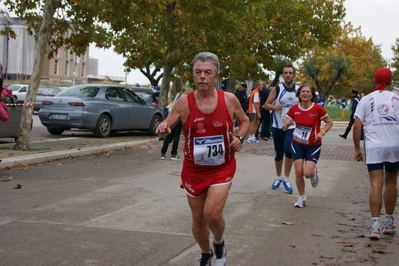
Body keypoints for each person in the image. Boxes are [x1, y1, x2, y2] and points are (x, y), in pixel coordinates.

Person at [156, 52, 250, 266]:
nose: (202, 77)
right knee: (198, 219)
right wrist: (161, 128)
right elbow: (165, 129)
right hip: (194, 169)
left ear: (216, 77)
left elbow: (245, 121)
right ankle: (206, 254)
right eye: (198, 72)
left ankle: (219, 243)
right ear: (193, 76)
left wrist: (240, 138)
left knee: (212, 214)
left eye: (207, 72)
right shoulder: (184, 103)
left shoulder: (229, 100)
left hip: (222, 167)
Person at [353, 68, 399, 240]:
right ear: (391, 81)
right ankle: (389, 221)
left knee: (376, 183)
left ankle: (374, 225)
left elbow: (357, 125)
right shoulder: (396, 98)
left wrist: (357, 148)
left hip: (374, 146)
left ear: (374, 81)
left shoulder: (366, 99)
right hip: (394, 145)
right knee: (391, 182)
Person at [282, 83, 333, 207]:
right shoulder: (294, 108)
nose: (305, 93)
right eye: (302, 91)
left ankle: (313, 171)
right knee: (299, 172)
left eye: (307, 92)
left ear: (312, 95)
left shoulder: (317, 109)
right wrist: (286, 124)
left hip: (313, 145)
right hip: (297, 143)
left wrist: (322, 132)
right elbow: (286, 122)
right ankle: (302, 198)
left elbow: (329, 122)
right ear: (299, 94)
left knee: (307, 174)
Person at [263, 65, 299, 194]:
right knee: (279, 153)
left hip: (293, 126)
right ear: (283, 75)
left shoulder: (299, 90)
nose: (288, 75)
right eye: (286, 73)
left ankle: (286, 178)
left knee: (289, 150)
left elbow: (305, 104)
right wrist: (275, 107)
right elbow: (266, 105)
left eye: (290, 73)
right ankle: (278, 177)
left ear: (294, 75)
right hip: (278, 126)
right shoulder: (278, 89)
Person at [160, 78, 184, 160]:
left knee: (169, 135)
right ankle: (173, 154)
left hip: (170, 116)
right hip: (178, 117)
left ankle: (163, 153)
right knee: (176, 136)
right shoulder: (183, 96)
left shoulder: (169, 95)